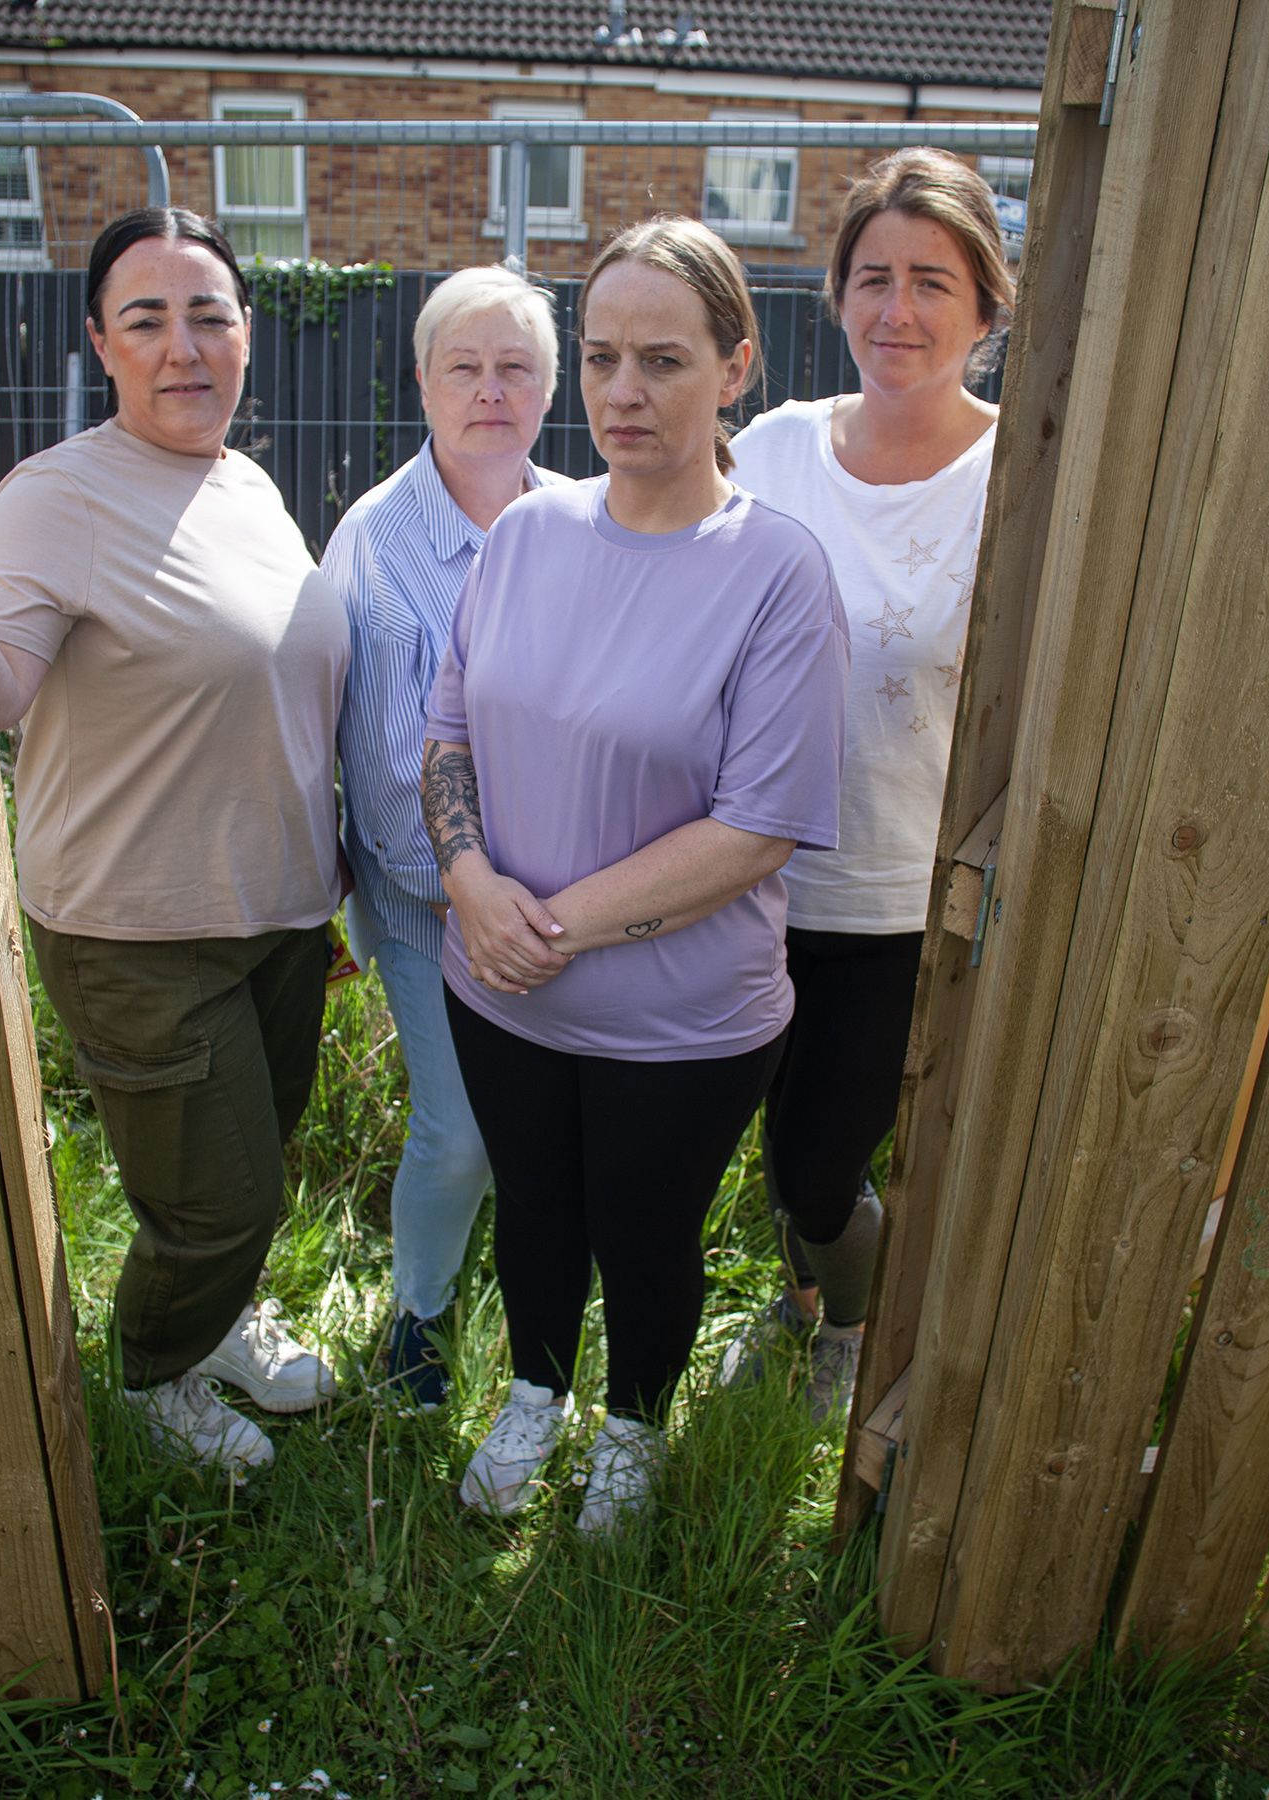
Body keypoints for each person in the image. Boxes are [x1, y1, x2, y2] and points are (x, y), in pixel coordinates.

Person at [421, 217, 850, 1532]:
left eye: (661, 360)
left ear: (735, 368)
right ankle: (537, 1394)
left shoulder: (776, 573)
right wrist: (468, 883)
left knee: (644, 1239)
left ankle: (632, 1427)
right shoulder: (526, 537)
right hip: (496, 989)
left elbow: (757, 827)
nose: (621, 392)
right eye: (601, 357)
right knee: (537, 1215)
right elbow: (446, 734)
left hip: (679, 1020)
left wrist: (544, 926)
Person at [0, 207, 347, 1472]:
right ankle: (150, 1378)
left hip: (282, 915)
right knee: (218, 1199)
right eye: (148, 319)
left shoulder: (246, 482)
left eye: (210, 316)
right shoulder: (57, 494)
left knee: (251, 1157)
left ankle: (220, 1318)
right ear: (101, 342)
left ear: (246, 337)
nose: (184, 346)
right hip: (141, 927)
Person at [715, 149, 1011, 1422]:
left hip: (897, 895)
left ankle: (852, 1319)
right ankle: (799, 1304)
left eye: (932, 282)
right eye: (873, 277)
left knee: (821, 1165)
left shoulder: (1020, 476)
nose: (898, 310)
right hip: (742, 877)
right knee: (767, 1155)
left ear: (988, 310)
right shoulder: (773, 453)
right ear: (836, 294)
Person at [330, 267, 569, 1407]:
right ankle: (419, 1318)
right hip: (430, 905)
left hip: (573, 910)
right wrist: (457, 888)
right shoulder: (372, 542)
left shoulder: (584, 523)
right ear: (422, 382)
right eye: (464, 367)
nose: (490, 390)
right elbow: (367, 761)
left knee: (550, 1134)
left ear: (549, 388)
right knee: (462, 1135)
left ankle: (543, 1321)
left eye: (515, 367)